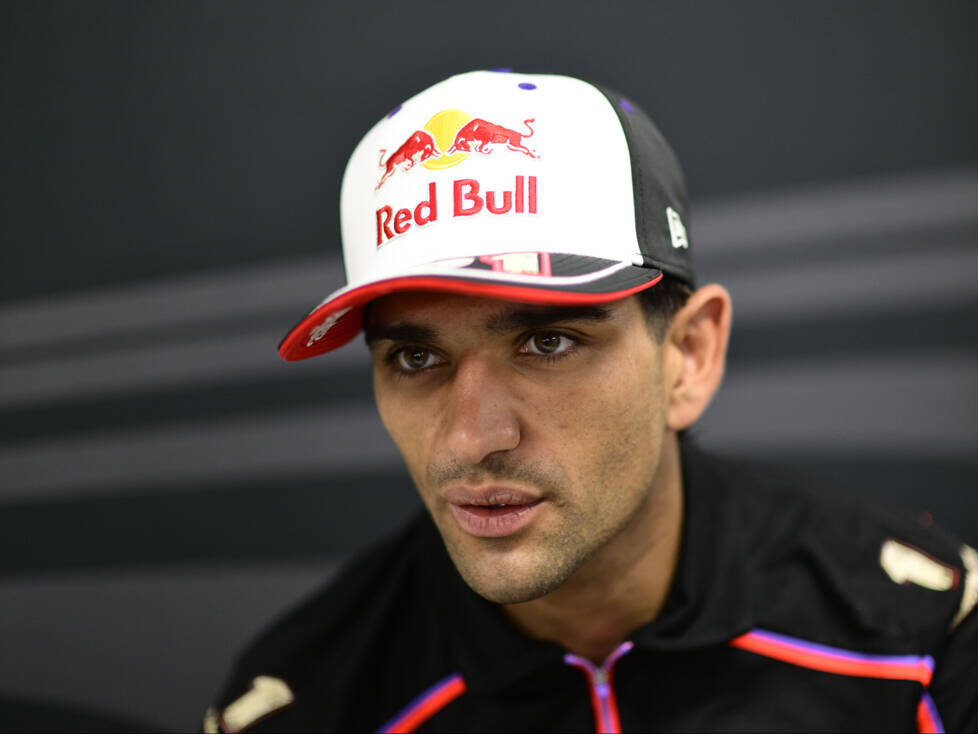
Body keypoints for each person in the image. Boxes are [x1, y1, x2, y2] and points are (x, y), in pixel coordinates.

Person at [205, 71, 977, 733]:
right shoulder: (305, 705)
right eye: (416, 358)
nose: (472, 437)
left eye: (548, 343)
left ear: (688, 356)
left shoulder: (918, 635)